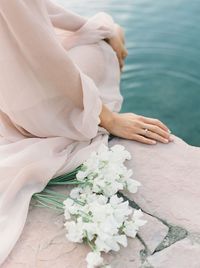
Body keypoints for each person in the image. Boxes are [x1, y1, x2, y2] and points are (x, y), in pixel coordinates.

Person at [0, 0, 174, 265]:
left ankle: (106, 30)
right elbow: (47, 59)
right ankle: (108, 34)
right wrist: (108, 117)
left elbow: (35, 9)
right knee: (101, 48)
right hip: (32, 110)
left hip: (8, 93)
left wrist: (89, 26)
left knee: (98, 32)